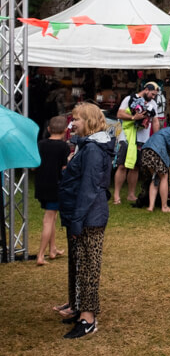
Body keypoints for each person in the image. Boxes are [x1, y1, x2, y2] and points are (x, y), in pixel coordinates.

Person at [57, 102, 115, 338]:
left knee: (88, 268)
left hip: (88, 217)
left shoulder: (92, 149)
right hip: (83, 214)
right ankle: (79, 308)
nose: (72, 123)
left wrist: (78, 221)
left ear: (89, 121)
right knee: (79, 264)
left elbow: (89, 188)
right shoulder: (88, 145)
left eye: (77, 119)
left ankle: (88, 318)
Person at [112, 83, 160, 204]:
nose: (153, 97)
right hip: (127, 136)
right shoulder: (129, 99)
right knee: (122, 165)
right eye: (152, 94)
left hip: (142, 138)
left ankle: (131, 194)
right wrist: (134, 117)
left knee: (135, 167)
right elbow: (119, 114)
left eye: (155, 95)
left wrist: (157, 137)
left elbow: (155, 121)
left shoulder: (153, 104)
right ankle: (116, 195)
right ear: (146, 90)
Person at [34, 115, 71, 266]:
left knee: (52, 217)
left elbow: (35, 164)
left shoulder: (40, 144)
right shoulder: (64, 147)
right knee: (49, 219)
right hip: (55, 186)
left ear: (48, 129)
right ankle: (41, 255)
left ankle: (52, 249)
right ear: (65, 130)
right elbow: (64, 168)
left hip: (41, 185)